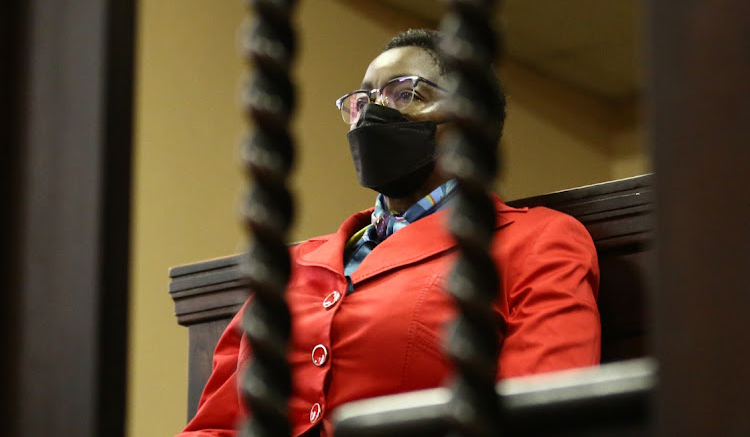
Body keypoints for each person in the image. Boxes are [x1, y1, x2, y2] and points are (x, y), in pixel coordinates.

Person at [177, 28, 600, 437]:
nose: (372, 115)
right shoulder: (286, 268)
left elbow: (542, 416)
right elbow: (215, 426)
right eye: (363, 102)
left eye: (406, 95)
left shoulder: (534, 241)